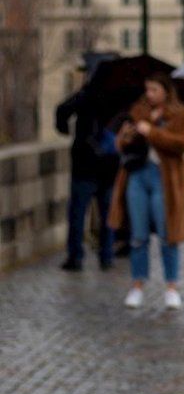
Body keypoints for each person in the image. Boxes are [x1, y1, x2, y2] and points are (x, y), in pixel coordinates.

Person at [108, 73, 184, 310]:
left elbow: (182, 144)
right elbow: (120, 146)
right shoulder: (137, 112)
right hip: (137, 175)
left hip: (164, 179)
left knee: (168, 235)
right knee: (138, 235)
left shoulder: (182, 115)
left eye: (154, 90)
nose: (150, 95)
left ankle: (171, 286)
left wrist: (153, 132)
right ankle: (137, 284)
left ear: (166, 91)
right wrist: (128, 135)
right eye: (147, 89)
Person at [56, 69, 120, 271]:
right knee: (106, 215)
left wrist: (65, 129)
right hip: (108, 166)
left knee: (78, 214)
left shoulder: (85, 95)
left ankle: (76, 256)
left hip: (84, 164)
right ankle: (106, 255)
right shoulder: (117, 99)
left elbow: (62, 110)